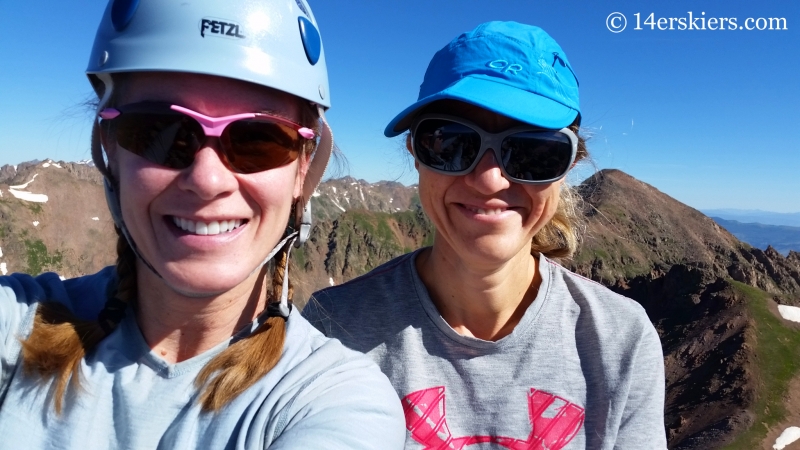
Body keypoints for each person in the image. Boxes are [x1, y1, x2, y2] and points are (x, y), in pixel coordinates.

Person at [0, 1, 405, 448]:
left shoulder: (336, 402)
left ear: (303, 170)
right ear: (108, 150)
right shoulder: (17, 322)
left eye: (259, 140)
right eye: (160, 132)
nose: (207, 179)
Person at [304, 21, 667, 449]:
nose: (490, 179)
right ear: (416, 157)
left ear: (567, 169)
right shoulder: (332, 330)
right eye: (451, 143)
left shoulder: (620, 339)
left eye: (534, 152)